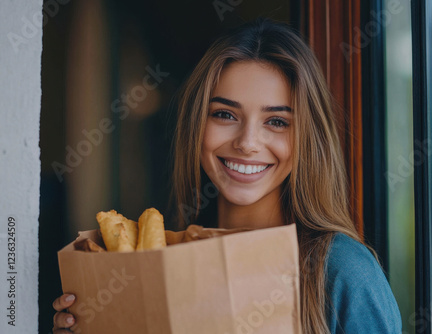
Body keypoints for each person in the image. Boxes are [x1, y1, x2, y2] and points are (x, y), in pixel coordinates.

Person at [53, 17, 402, 334]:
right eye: (224, 114)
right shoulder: (164, 260)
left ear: (308, 139)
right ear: (196, 124)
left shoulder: (342, 272)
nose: (248, 143)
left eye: (277, 121)